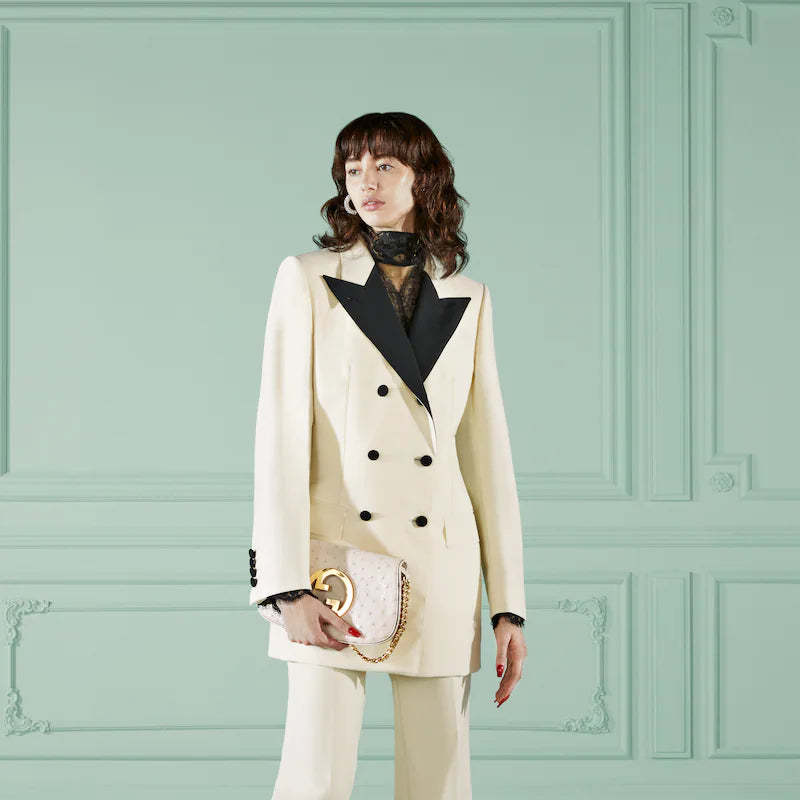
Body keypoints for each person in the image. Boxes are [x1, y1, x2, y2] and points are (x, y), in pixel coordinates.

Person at [248, 112, 528, 799]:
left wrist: (508, 607)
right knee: (314, 778)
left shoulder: (468, 297)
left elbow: (486, 458)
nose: (364, 182)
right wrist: (283, 587)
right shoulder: (307, 278)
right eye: (352, 169)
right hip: (333, 571)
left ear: (423, 178)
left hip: (441, 568)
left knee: (439, 782)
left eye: (384, 166)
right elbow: (279, 439)